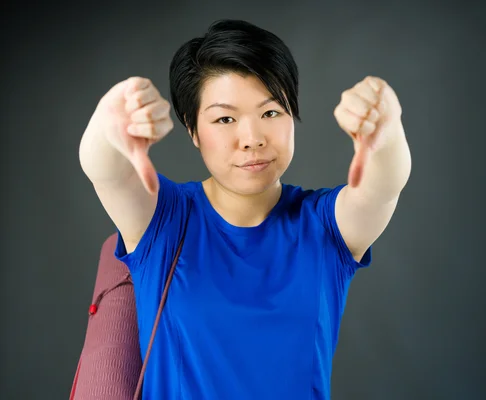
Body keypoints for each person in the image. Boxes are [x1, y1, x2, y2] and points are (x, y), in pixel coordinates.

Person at [78, 19, 411, 400]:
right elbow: (105, 172)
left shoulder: (323, 227)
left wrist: (387, 131)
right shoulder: (164, 220)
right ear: (192, 129)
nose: (252, 139)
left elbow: (383, 188)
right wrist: (108, 127)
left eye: (271, 113)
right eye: (225, 119)